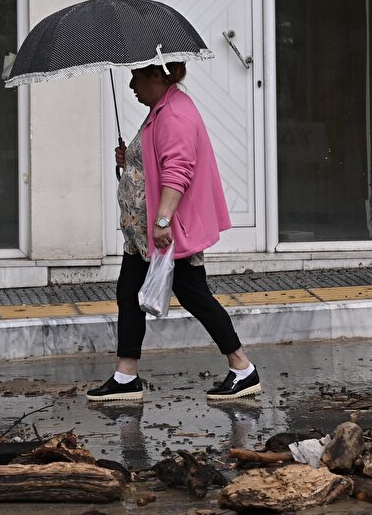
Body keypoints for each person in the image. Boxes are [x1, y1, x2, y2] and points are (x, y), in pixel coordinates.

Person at [86, 62, 260, 403]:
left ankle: (242, 368)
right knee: (128, 292)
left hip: (166, 232)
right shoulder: (162, 109)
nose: (132, 83)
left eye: (137, 76)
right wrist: (131, 159)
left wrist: (163, 221)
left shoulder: (174, 115)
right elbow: (155, 158)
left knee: (194, 294)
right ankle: (126, 374)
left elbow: (178, 170)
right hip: (142, 235)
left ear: (158, 75)